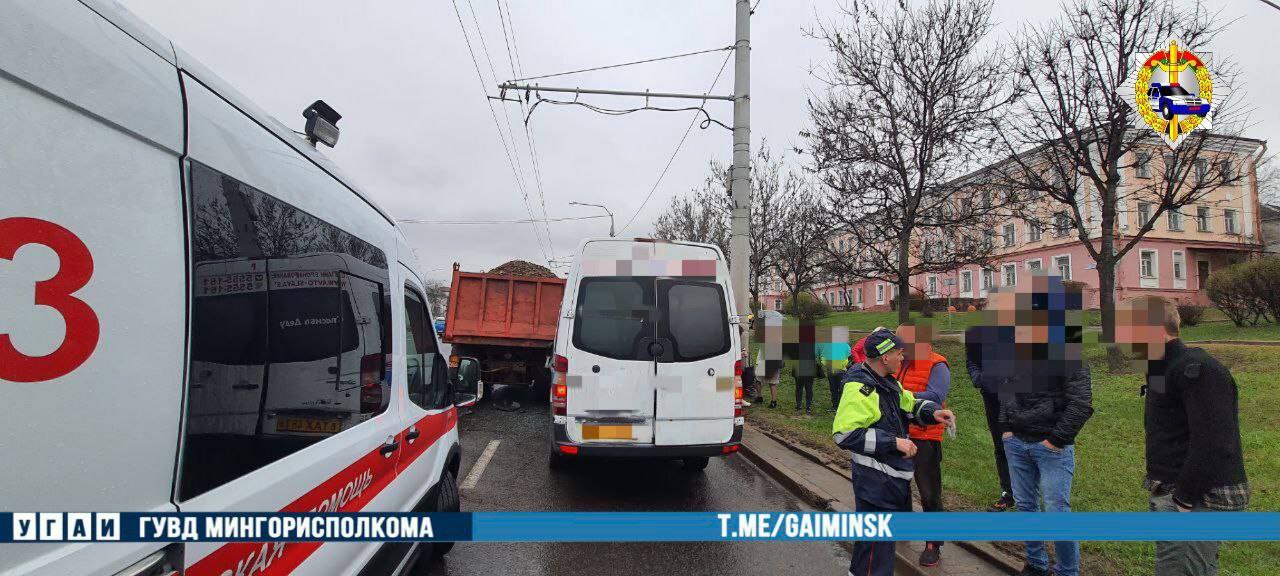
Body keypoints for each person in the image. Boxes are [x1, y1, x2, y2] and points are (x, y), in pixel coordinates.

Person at [1117, 296, 1249, 576]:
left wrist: (1184, 499)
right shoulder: (1162, 369)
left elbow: (1216, 443)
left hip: (1197, 499)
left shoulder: (1198, 370)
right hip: (1176, 493)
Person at [833, 329, 954, 576]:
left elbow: (908, 403)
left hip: (887, 482)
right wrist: (893, 443)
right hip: (875, 482)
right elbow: (844, 434)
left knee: (874, 549)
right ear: (885, 357)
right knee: (874, 555)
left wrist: (933, 413)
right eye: (899, 353)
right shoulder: (861, 387)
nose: (903, 358)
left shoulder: (887, 381)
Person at [998, 286, 1094, 576]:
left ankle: (1067, 571)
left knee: (1057, 513)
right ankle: (1037, 564)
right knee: (1027, 507)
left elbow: (1081, 404)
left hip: (1051, 447)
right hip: (1017, 442)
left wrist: (1055, 440)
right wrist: (1006, 428)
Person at [896, 321, 951, 567]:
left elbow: (936, 396)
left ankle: (933, 543)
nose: (899, 345)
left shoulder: (937, 364)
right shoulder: (897, 362)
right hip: (898, 434)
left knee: (929, 492)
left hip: (925, 436)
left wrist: (898, 396)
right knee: (898, 485)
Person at [965, 300, 1017, 512]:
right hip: (992, 396)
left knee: (1020, 442)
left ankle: (1026, 490)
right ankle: (1008, 492)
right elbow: (971, 361)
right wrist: (979, 379)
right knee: (1000, 443)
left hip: (1018, 397)